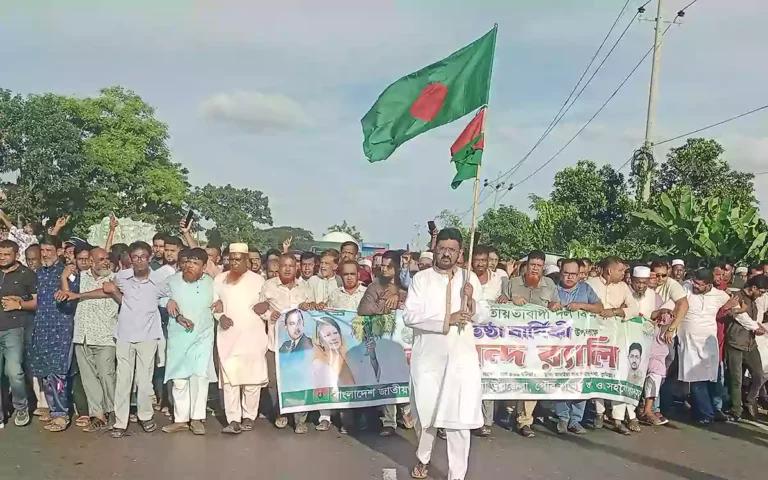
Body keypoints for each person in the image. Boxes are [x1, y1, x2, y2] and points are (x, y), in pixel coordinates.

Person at [404, 228, 490, 480]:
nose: (446, 253)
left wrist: (472, 303)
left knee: (459, 421)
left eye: (452, 249)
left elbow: (485, 317)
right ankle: (424, 458)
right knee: (425, 416)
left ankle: (457, 475)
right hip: (428, 359)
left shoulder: (470, 278)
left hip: (461, 361)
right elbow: (410, 316)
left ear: (460, 253)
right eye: (442, 248)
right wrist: (447, 319)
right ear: (435, 249)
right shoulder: (422, 279)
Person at [104, 241, 167, 438]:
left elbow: (168, 299)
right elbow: (116, 293)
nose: (139, 261)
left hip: (148, 336)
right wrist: (114, 292)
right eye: (135, 257)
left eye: (143, 257)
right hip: (124, 335)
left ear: (149, 258)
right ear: (130, 259)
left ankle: (145, 416)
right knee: (123, 379)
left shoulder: (159, 280)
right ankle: (120, 422)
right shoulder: (122, 277)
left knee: (145, 381)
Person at [58, 247, 119, 433]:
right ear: (91, 262)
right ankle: (97, 414)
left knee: (107, 376)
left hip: (105, 336)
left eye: (107, 258)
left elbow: (106, 292)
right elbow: (68, 294)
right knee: (89, 378)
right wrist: (63, 279)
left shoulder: (115, 278)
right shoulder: (81, 277)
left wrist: (79, 295)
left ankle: (114, 412)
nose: (105, 262)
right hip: (82, 335)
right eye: (101, 259)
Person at [500, 249, 558, 439]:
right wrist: (510, 301)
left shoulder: (549, 284)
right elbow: (500, 306)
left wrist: (554, 307)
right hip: (514, 341)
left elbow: (555, 308)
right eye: (532, 265)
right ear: (526, 266)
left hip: (538, 343)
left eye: (539, 266)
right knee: (512, 377)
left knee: (532, 378)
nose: (535, 269)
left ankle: (525, 420)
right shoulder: (512, 283)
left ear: (543, 268)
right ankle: (509, 412)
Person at [256, 252, 315, 433]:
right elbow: (260, 308)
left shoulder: (305, 287)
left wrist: (310, 307)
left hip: (299, 347)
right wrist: (268, 315)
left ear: (296, 267)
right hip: (275, 344)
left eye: (291, 265)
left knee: (300, 381)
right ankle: (280, 413)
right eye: (284, 266)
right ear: (278, 267)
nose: (288, 269)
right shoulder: (268, 286)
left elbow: (312, 311)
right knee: (274, 382)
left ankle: (299, 420)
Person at [213, 243, 268, 435]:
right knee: (230, 381)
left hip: (253, 337)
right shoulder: (219, 280)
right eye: (231, 259)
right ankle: (233, 419)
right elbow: (214, 305)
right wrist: (220, 317)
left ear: (247, 260)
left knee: (252, 381)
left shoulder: (260, 280)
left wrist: (266, 307)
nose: (234, 263)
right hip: (228, 337)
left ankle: (249, 417)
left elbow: (268, 305)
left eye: (238, 259)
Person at [162, 248, 217, 435]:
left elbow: (220, 301)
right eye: (187, 262)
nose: (189, 266)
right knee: (179, 379)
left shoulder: (211, 282)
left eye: (195, 263)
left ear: (203, 266)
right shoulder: (172, 281)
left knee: (199, 376)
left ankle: (196, 418)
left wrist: (220, 305)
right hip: (179, 336)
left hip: (203, 335)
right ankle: (180, 419)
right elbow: (159, 297)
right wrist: (167, 301)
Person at [357, 250, 412, 436]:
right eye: (382, 265)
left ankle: (407, 413)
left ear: (397, 267)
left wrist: (400, 298)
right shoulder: (375, 286)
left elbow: (419, 307)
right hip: (383, 339)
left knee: (408, 377)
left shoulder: (410, 286)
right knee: (388, 376)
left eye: (388, 266)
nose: (384, 269)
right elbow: (363, 308)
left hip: (406, 342)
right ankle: (389, 422)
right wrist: (385, 307)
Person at [675, 268, 739, 425]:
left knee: (706, 380)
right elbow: (672, 303)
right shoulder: (686, 289)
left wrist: (752, 325)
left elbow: (738, 311)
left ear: (709, 284)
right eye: (694, 282)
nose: (695, 286)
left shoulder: (720, 295)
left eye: (699, 284)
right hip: (688, 342)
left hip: (708, 345)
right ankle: (706, 413)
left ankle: (705, 413)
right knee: (695, 380)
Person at [586, 256, 640, 434]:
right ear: (610, 271)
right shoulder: (590, 283)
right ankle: (599, 413)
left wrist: (616, 311)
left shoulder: (623, 287)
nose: (624, 274)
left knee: (618, 375)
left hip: (618, 337)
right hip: (594, 337)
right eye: (621, 271)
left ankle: (618, 419)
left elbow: (634, 309)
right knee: (598, 374)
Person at [28, 235, 76, 433]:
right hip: (41, 327)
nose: (45, 254)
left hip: (61, 327)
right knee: (46, 372)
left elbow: (71, 300)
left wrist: (64, 280)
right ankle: (53, 407)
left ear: (59, 251)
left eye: (49, 250)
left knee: (58, 372)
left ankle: (61, 414)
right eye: (43, 250)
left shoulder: (68, 272)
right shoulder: (36, 273)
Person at [552, 258, 603, 435]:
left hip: (582, 344)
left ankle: (576, 419)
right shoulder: (553, 287)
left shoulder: (585, 288)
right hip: (559, 345)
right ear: (561, 272)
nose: (569, 277)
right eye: (566, 273)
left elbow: (599, 307)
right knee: (560, 379)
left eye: (574, 274)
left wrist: (581, 306)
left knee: (579, 380)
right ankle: (563, 417)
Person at [629, 265, 672, 427]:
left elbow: (664, 315)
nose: (641, 286)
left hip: (653, 344)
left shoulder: (655, 297)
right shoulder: (626, 294)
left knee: (655, 374)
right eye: (638, 282)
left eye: (644, 283)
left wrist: (664, 317)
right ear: (631, 281)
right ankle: (628, 412)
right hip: (630, 343)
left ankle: (648, 410)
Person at [0, 239, 36, 428]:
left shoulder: (26, 274)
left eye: (7, 254)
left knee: (14, 372)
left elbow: (37, 302)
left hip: (14, 328)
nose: (2, 257)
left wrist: (20, 304)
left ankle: (21, 407)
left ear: (16, 254)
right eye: (0, 253)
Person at [723, 274, 768, 420]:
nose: (761, 295)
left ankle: (749, 400)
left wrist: (760, 329)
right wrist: (755, 327)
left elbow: (754, 321)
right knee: (737, 379)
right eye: (761, 291)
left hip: (750, 344)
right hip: (736, 343)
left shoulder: (753, 301)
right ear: (753, 288)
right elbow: (742, 319)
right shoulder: (737, 297)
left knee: (759, 375)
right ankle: (736, 409)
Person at [471, 245, 504, 437]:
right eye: (477, 260)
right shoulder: (465, 278)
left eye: (484, 260)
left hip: (491, 339)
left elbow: (503, 301)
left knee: (488, 379)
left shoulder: (498, 280)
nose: (481, 264)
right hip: (468, 337)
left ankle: (485, 421)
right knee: (468, 381)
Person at [312, 317, 355, 388]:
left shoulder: (348, 358)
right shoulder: (319, 364)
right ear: (320, 341)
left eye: (335, 333)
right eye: (328, 335)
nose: (334, 338)